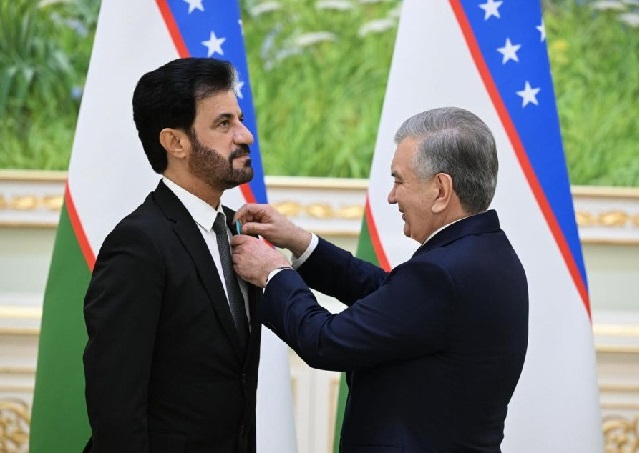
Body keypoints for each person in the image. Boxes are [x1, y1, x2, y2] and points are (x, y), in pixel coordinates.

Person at [231, 107, 529, 453]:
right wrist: (299, 241)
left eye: (399, 181)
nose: (391, 196)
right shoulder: (488, 253)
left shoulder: (442, 273)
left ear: (441, 190)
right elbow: (389, 295)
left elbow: (326, 341)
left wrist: (273, 273)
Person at [82, 57, 261, 453]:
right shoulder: (138, 244)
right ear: (175, 142)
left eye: (240, 119)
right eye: (224, 123)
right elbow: (115, 403)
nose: (246, 135)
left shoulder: (239, 230)